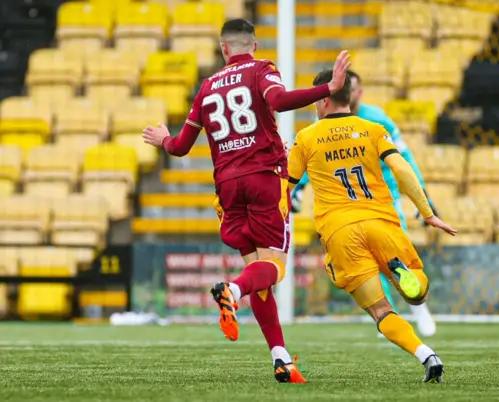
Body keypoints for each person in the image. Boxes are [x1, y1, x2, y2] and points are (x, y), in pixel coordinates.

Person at [142, 19, 351, 383]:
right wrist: (328, 89)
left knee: (260, 274)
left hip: (226, 188)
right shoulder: (261, 70)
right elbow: (280, 102)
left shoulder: (206, 87)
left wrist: (162, 139)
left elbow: (179, 147)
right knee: (276, 268)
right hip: (263, 178)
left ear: (224, 49)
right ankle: (232, 290)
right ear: (252, 44)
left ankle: (281, 358)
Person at [287, 70, 457, 383]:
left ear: (323, 100)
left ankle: (427, 355)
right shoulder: (374, 128)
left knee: (380, 311)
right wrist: (427, 212)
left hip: (341, 232)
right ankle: (406, 278)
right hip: (381, 220)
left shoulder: (306, 137)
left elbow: (286, 186)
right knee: (417, 293)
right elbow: (402, 168)